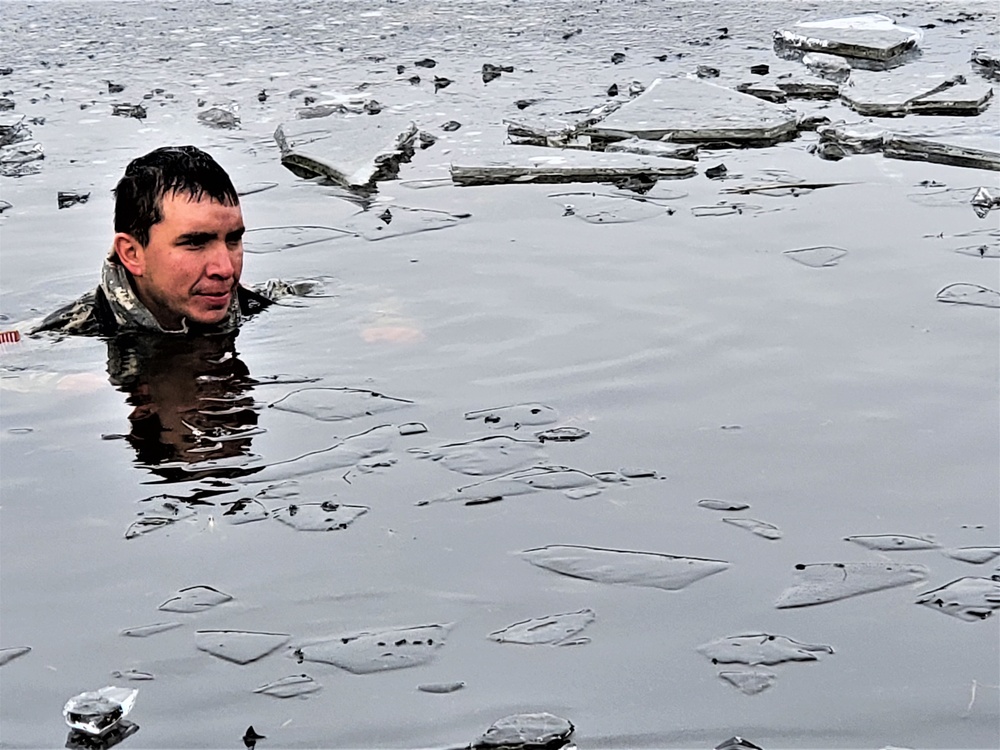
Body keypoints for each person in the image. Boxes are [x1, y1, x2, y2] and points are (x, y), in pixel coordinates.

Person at [32, 145, 273, 336]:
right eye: (195, 243)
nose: (225, 269)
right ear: (132, 254)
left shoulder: (261, 305)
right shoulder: (63, 337)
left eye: (233, 240)